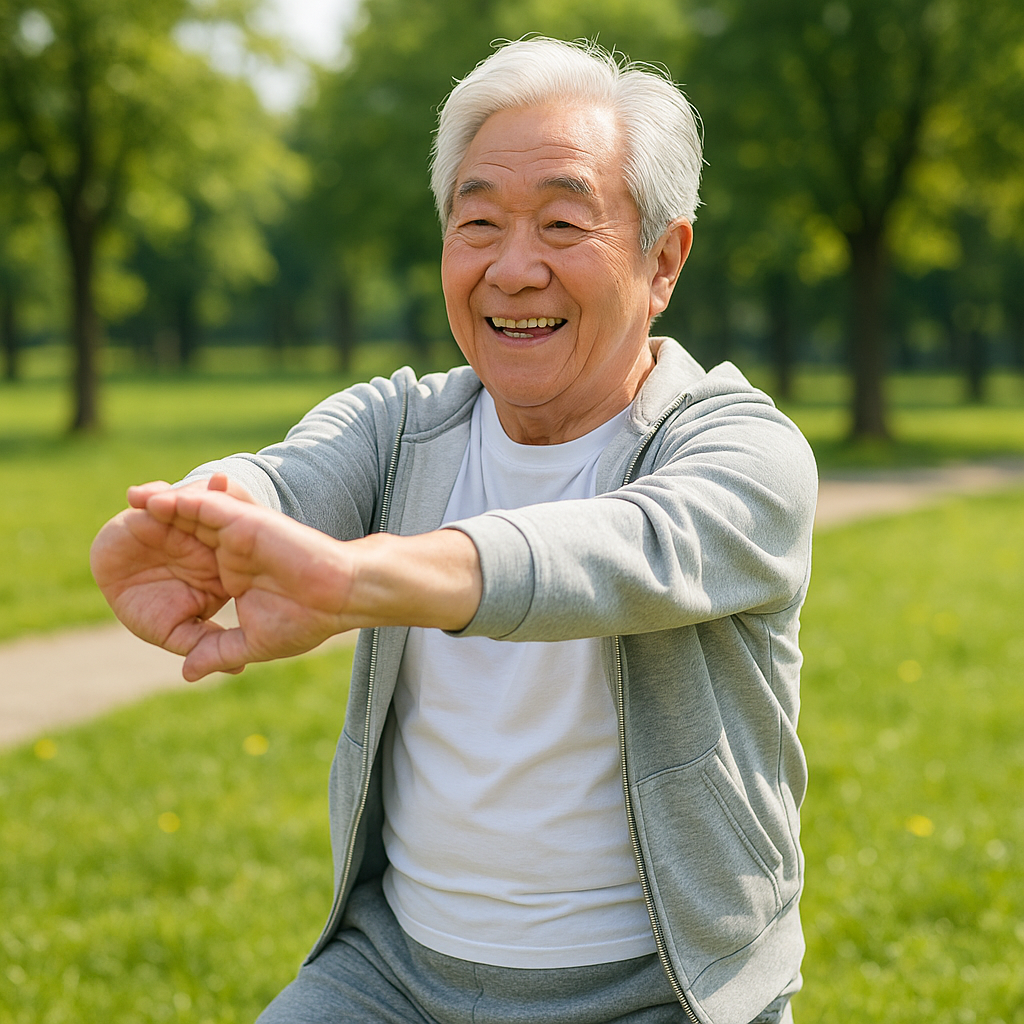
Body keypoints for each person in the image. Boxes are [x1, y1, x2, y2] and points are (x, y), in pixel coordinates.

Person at [90, 37, 816, 1024]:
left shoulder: (742, 453)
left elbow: (604, 554)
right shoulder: (399, 423)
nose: (511, 270)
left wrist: (363, 579)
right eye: (477, 223)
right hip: (389, 978)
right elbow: (287, 480)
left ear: (663, 260)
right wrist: (202, 516)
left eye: (562, 224)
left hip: (662, 990)